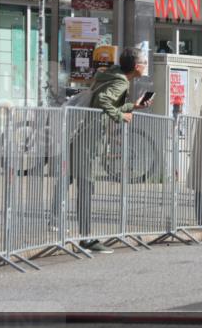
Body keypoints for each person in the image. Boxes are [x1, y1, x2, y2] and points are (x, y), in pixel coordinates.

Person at [56, 48, 152, 253]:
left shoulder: (112, 74)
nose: (146, 65)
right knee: (85, 184)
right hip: (90, 137)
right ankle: (86, 238)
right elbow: (103, 101)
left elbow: (103, 101)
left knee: (72, 179)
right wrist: (121, 116)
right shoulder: (121, 81)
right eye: (144, 62)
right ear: (136, 67)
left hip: (83, 132)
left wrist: (132, 107)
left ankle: (59, 223)